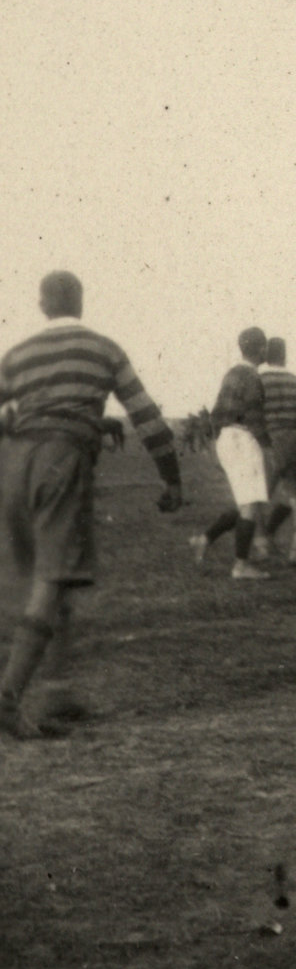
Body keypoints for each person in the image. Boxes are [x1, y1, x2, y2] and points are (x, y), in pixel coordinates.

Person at [0, 271, 182, 737]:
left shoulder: (17, 353)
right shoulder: (103, 348)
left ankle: (59, 691)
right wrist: (171, 479)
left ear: (42, 305)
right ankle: (9, 697)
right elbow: (146, 416)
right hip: (63, 457)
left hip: (16, 464)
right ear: (80, 302)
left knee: (42, 578)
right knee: (52, 580)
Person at [189, 327, 272, 578]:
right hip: (243, 438)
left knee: (244, 501)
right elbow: (255, 417)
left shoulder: (231, 373)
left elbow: (215, 414)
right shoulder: (251, 377)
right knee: (249, 503)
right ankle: (241, 565)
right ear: (260, 348)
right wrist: (268, 447)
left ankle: (205, 538)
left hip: (226, 438)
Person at [257, 337, 296, 564]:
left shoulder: (257, 380)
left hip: (267, 440)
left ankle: (262, 545)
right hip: (295, 439)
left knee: (259, 496)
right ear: (284, 354)